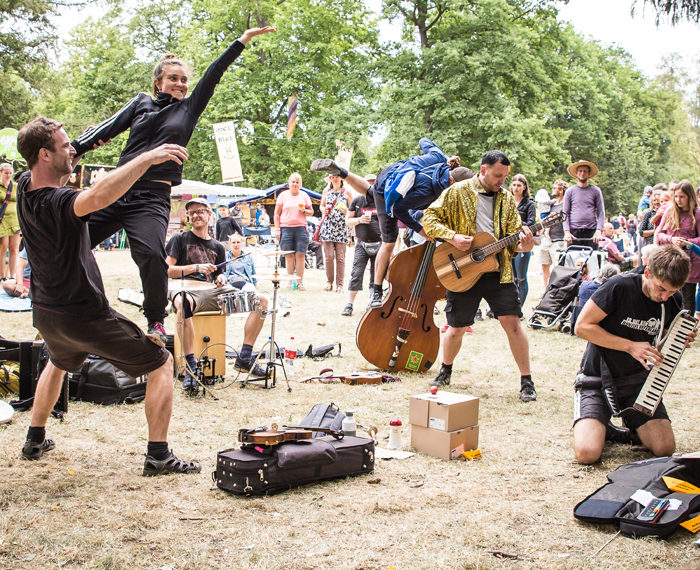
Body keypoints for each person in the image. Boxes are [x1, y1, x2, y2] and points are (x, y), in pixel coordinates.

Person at [15, 116, 198, 475]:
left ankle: (34, 438)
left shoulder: (25, 185)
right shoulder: (59, 202)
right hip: (85, 315)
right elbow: (99, 196)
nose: (73, 149)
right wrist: (147, 157)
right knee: (160, 362)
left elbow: (59, 173)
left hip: (46, 312)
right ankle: (158, 455)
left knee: (59, 360)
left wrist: (75, 154)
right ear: (43, 154)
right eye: (66, 145)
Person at [69, 26, 275, 345]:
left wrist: (242, 41)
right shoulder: (141, 104)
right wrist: (73, 148)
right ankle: (69, 303)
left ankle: (155, 321)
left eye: (183, 79)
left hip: (151, 198)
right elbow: (108, 128)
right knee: (72, 238)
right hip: (116, 188)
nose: (180, 83)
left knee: (152, 254)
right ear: (158, 81)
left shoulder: (189, 108)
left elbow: (214, 74)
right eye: (173, 78)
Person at [422, 150, 537, 402]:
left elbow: (514, 239)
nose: (502, 181)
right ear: (483, 170)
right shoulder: (457, 191)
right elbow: (427, 218)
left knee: (513, 324)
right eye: (498, 175)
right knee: (456, 327)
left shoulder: (507, 199)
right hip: (463, 269)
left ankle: (526, 381)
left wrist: (525, 245)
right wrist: (451, 236)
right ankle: (445, 371)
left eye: (505, 176)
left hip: (498, 271)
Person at [572, 244, 696, 464]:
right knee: (587, 454)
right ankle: (602, 427)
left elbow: (662, 341)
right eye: (661, 288)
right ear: (647, 272)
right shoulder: (619, 287)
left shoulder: (671, 301)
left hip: (638, 384)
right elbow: (582, 327)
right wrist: (630, 346)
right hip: (597, 378)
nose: (665, 296)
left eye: (672, 291)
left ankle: (627, 425)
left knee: (665, 448)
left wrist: (679, 338)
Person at [311, 138, 471, 307]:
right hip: (390, 194)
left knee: (370, 191)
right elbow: (399, 210)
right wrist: (420, 229)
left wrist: (444, 157)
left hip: (390, 173)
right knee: (388, 243)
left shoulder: (438, 157)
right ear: (452, 182)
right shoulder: (428, 190)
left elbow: (424, 140)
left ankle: (342, 171)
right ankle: (377, 290)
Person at [165, 198, 268, 388]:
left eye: (200, 211)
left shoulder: (218, 247)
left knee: (261, 301)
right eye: (192, 212)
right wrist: (195, 267)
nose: (196, 215)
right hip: (186, 290)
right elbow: (167, 270)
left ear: (209, 214)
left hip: (213, 293)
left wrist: (220, 278)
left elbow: (218, 275)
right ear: (188, 217)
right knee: (183, 303)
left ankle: (244, 357)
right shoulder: (179, 239)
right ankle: (190, 365)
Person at [655, 180, 700, 314]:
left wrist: (688, 242)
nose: (678, 200)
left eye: (682, 197)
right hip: (669, 259)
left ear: (689, 197)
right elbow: (659, 234)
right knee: (668, 295)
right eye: (676, 196)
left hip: (689, 263)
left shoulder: (696, 214)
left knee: (687, 300)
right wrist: (671, 239)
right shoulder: (669, 211)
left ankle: (685, 330)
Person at [342, 187, 381, 315]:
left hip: (380, 244)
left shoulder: (381, 200)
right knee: (356, 273)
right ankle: (349, 305)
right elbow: (347, 220)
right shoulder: (357, 200)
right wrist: (359, 220)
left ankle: (372, 303)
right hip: (362, 244)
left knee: (376, 276)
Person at [274, 172, 312, 290]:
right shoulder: (283, 195)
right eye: (293, 182)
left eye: (297, 182)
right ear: (289, 183)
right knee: (289, 256)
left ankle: (299, 282)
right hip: (286, 228)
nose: (295, 184)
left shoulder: (304, 195)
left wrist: (305, 211)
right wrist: (277, 229)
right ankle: (290, 282)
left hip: (301, 228)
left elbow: (311, 212)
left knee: (300, 255)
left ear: (300, 184)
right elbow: (276, 213)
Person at [319, 174, 352, 292]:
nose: (335, 178)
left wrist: (346, 211)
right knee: (328, 257)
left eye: (337, 176)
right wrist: (324, 209)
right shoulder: (326, 191)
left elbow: (353, 210)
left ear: (341, 178)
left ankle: (340, 284)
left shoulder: (347, 192)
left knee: (340, 258)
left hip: (342, 229)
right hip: (328, 228)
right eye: (332, 177)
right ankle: (329, 282)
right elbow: (321, 206)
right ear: (330, 179)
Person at [563, 160, 605, 247]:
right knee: (573, 257)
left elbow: (601, 212)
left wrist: (599, 230)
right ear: (576, 173)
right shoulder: (570, 191)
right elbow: (565, 214)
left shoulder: (596, 191)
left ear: (589, 174)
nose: (582, 173)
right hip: (574, 231)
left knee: (592, 257)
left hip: (591, 231)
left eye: (585, 171)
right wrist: (567, 232)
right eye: (580, 171)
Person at [510, 174, 535, 307]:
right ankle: (512, 306)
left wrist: (517, 223)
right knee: (512, 279)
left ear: (524, 187)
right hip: (509, 243)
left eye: (519, 185)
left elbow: (531, 224)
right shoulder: (507, 201)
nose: (516, 188)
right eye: (514, 185)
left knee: (521, 278)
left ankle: (519, 308)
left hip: (523, 243)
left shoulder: (529, 203)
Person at [538, 179, 567, 286]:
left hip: (559, 240)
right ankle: (547, 289)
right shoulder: (551, 204)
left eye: (555, 188)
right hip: (547, 239)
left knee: (558, 267)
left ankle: (557, 289)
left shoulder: (566, 204)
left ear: (561, 190)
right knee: (544, 264)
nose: (552, 190)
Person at [0, 163, 21, 281]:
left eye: (10, 173)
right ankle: (2, 275)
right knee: (3, 247)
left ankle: (12, 274)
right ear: (1, 173)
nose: (8, 175)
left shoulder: (15, 186)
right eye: (6, 173)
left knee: (14, 248)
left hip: (14, 220)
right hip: (2, 220)